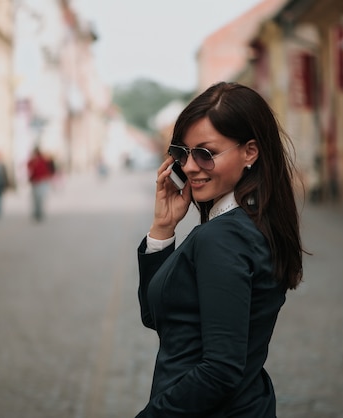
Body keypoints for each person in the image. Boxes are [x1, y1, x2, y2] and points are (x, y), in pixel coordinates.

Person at [136, 82, 305, 417]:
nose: (189, 167)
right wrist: (162, 229)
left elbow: (220, 370)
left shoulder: (223, 238)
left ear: (250, 152)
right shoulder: (249, 225)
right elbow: (158, 317)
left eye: (205, 153)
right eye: (182, 153)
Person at [26, 146, 53, 221]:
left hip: (42, 181)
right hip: (35, 182)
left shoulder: (42, 160)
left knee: (40, 197)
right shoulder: (33, 161)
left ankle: (40, 212)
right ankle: (36, 212)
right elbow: (29, 166)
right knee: (35, 198)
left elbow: (48, 168)